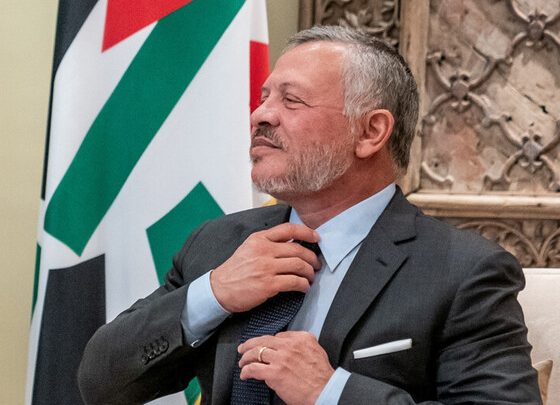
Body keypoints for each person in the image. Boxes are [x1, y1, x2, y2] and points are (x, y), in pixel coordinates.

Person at [77, 25, 540, 404]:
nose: (260, 115)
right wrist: (213, 294)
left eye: (291, 100)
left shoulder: (462, 272)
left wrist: (331, 393)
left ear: (371, 132)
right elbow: (100, 382)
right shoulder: (219, 244)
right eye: (264, 97)